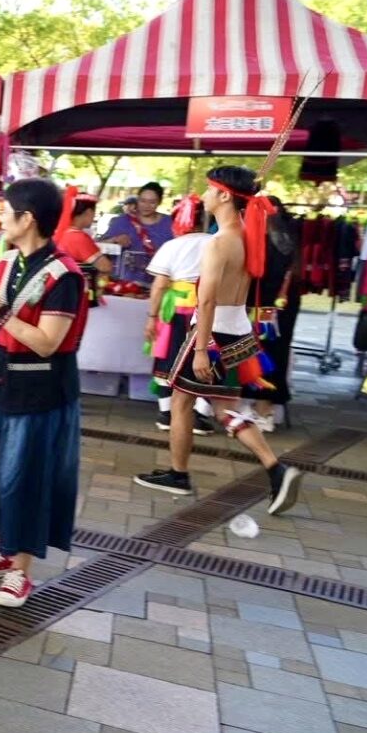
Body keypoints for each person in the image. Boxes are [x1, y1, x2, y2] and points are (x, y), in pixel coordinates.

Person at [0, 178, 88, 609]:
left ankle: (21, 570)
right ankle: (4, 550)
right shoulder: (7, 261)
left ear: (27, 219)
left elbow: (47, 342)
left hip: (41, 390)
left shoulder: (65, 274)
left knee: (26, 477)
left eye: (6, 213)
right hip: (1, 382)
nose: (0, 220)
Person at [134, 167, 304, 515]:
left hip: (212, 333)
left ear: (225, 195)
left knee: (181, 402)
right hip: (238, 330)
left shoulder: (219, 242)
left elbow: (207, 299)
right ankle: (276, 469)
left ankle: (179, 475)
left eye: (210, 189)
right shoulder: (249, 235)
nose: (204, 196)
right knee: (226, 409)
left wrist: (200, 348)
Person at [144, 195, 216, 436]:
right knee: (207, 362)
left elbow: (159, 285)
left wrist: (152, 317)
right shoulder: (217, 244)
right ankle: (200, 416)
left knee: (168, 360)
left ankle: (166, 414)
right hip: (209, 313)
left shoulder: (171, 246)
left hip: (175, 312)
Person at [241, 196, 299, 430]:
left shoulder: (265, 241)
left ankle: (263, 410)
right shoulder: (287, 240)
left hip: (265, 308)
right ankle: (262, 410)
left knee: (263, 354)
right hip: (277, 306)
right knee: (268, 354)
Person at [102, 181, 173, 283]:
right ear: (137, 200)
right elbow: (99, 246)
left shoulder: (170, 223)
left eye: (152, 202)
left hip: (157, 284)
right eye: (142, 201)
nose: (146, 206)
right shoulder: (122, 221)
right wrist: (115, 240)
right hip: (124, 284)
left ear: (159, 202)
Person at [54, 191, 112, 304]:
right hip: (78, 296)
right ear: (89, 212)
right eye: (94, 213)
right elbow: (105, 266)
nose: (94, 217)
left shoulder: (60, 233)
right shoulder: (78, 237)